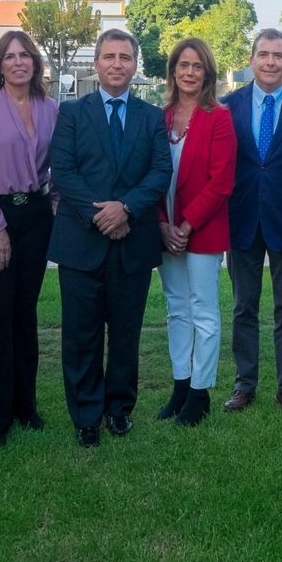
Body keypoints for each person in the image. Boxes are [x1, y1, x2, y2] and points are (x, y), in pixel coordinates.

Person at [48, 29, 173, 447]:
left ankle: (119, 409)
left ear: (135, 64)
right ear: (96, 63)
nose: (117, 64)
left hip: (132, 241)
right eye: (109, 56)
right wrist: (100, 214)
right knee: (80, 335)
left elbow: (160, 170)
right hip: (81, 241)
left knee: (124, 334)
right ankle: (86, 415)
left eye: (125, 57)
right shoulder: (72, 113)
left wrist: (127, 208)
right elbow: (63, 170)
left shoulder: (151, 117)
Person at [0, 30, 59, 446]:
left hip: (36, 217)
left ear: (35, 63)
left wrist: (53, 203)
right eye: (10, 56)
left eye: (25, 55)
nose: (18, 62)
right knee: (0, 315)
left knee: (26, 313)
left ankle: (26, 406)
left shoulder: (50, 108)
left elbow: (60, 164)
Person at [222, 29, 282, 415]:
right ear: (251, 59)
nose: (270, 62)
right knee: (244, 307)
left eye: (278, 55)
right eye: (263, 54)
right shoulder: (228, 106)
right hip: (241, 218)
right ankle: (244, 384)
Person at [154, 37, 236, 427]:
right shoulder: (161, 117)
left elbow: (222, 183)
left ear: (207, 74)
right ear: (173, 71)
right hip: (165, 229)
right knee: (176, 309)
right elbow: (150, 175)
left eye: (197, 66)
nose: (189, 72)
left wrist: (185, 225)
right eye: (183, 65)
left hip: (202, 228)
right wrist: (163, 225)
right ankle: (181, 385)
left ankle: (200, 393)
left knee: (203, 310)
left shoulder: (219, 118)